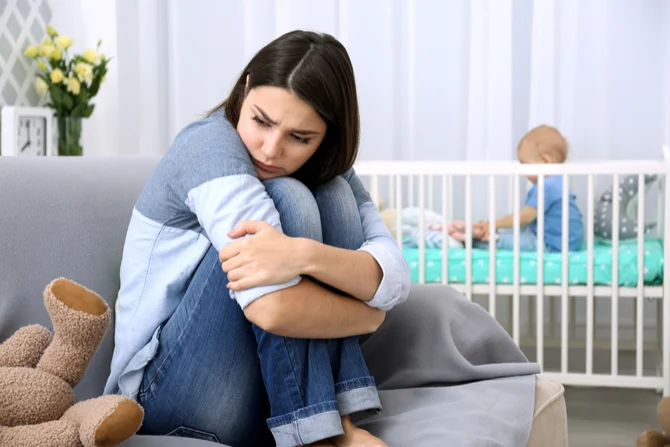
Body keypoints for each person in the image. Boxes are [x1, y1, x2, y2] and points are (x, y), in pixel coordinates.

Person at [103, 30, 410, 447]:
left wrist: (301, 255)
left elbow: (392, 274)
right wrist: (369, 316)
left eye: (300, 138)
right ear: (245, 89)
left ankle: (334, 421)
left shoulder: (326, 165)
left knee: (334, 194)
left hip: (261, 404)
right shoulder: (209, 145)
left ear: (327, 135)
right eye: (261, 121)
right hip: (163, 401)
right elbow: (273, 309)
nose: (270, 149)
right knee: (290, 196)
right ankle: (318, 435)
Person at [448, 125, 585, 253]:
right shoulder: (559, 181)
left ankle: (473, 241)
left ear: (545, 161)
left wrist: (493, 224)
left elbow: (524, 218)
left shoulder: (547, 186)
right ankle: (482, 231)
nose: (523, 171)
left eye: (525, 165)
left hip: (552, 245)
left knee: (500, 240)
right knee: (509, 233)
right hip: (565, 242)